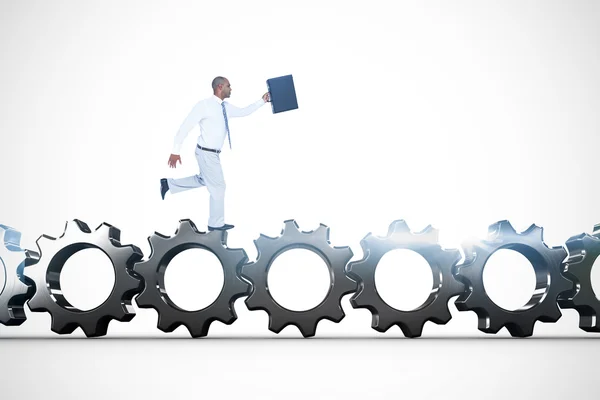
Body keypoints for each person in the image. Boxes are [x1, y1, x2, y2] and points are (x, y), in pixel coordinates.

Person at [160, 76, 270, 231]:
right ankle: (215, 224)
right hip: (206, 153)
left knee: (205, 180)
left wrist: (262, 101)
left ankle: (168, 184)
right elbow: (185, 127)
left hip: (213, 154)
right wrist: (175, 151)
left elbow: (244, 112)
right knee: (218, 187)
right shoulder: (204, 105)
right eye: (228, 86)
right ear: (220, 87)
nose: (231, 89)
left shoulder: (226, 107)